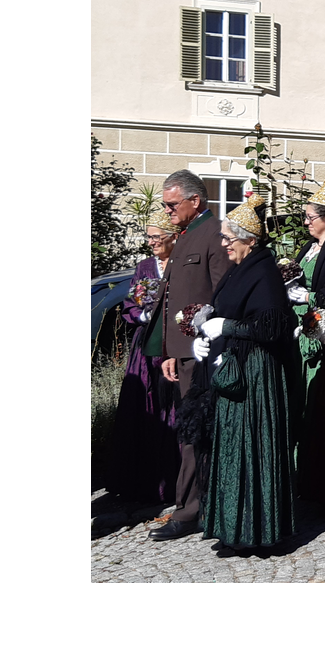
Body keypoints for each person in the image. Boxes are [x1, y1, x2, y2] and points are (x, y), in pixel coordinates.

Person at [191, 195, 297, 549]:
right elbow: (224, 307)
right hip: (236, 367)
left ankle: (255, 531)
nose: (223, 244)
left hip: (256, 374)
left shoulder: (263, 273)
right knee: (233, 449)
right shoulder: (240, 268)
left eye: (228, 238)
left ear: (248, 240)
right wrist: (205, 329)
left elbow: (272, 326)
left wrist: (227, 326)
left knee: (252, 448)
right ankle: (232, 527)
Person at [146, 170, 232, 541]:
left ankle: (193, 509)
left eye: (172, 204)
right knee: (189, 431)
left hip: (203, 352)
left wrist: (211, 346)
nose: (167, 211)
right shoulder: (185, 235)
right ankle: (191, 504)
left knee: (198, 432)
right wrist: (168, 350)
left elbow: (222, 294)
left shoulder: (214, 234)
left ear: (195, 201)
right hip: (182, 354)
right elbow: (173, 299)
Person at [108, 209, 181, 502]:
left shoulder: (181, 264)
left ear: (173, 237)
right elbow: (130, 303)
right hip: (146, 347)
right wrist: (143, 315)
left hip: (173, 344)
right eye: (149, 237)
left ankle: (174, 481)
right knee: (143, 406)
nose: (151, 242)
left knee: (171, 405)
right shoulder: (145, 267)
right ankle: (141, 480)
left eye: (156, 237)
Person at [286, 178, 325, 503]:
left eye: (310, 217)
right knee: (296, 397)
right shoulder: (309, 247)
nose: (306, 222)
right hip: (296, 326)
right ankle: (295, 472)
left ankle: (310, 475)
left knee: (312, 400)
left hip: (317, 327)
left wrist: (308, 296)